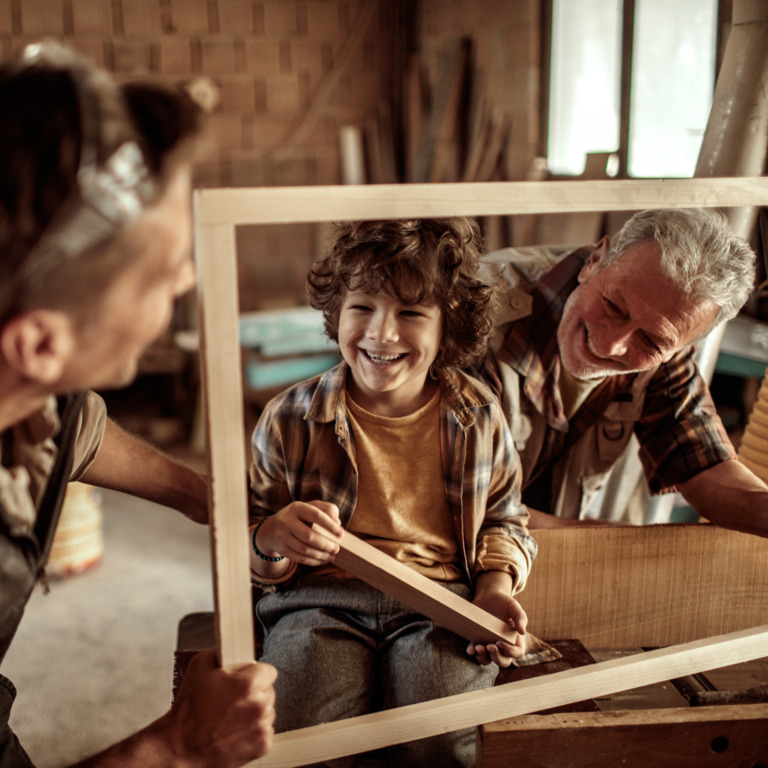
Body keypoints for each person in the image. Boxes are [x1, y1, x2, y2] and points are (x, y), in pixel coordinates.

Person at [0, 42, 276, 767]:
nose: (186, 279)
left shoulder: (24, 381)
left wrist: (206, 497)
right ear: (39, 345)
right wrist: (177, 746)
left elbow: (70, 425)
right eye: (159, 273)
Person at [247, 218, 537, 766]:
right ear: (336, 316)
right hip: (318, 603)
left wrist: (495, 589)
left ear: (447, 327)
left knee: (442, 736)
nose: (382, 334)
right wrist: (269, 539)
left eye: (410, 312)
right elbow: (250, 544)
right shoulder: (288, 416)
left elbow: (505, 519)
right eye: (362, 308)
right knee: (300, 735)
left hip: (444, 602)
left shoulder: (477, 413)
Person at [478, 207, 768, 537]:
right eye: (614, 307)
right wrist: (626, 544)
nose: (613, 345)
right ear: (595, 261)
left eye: (649, 340)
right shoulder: (475, 314)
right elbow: (456, 509)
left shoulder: (666, 332)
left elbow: (703, 464)